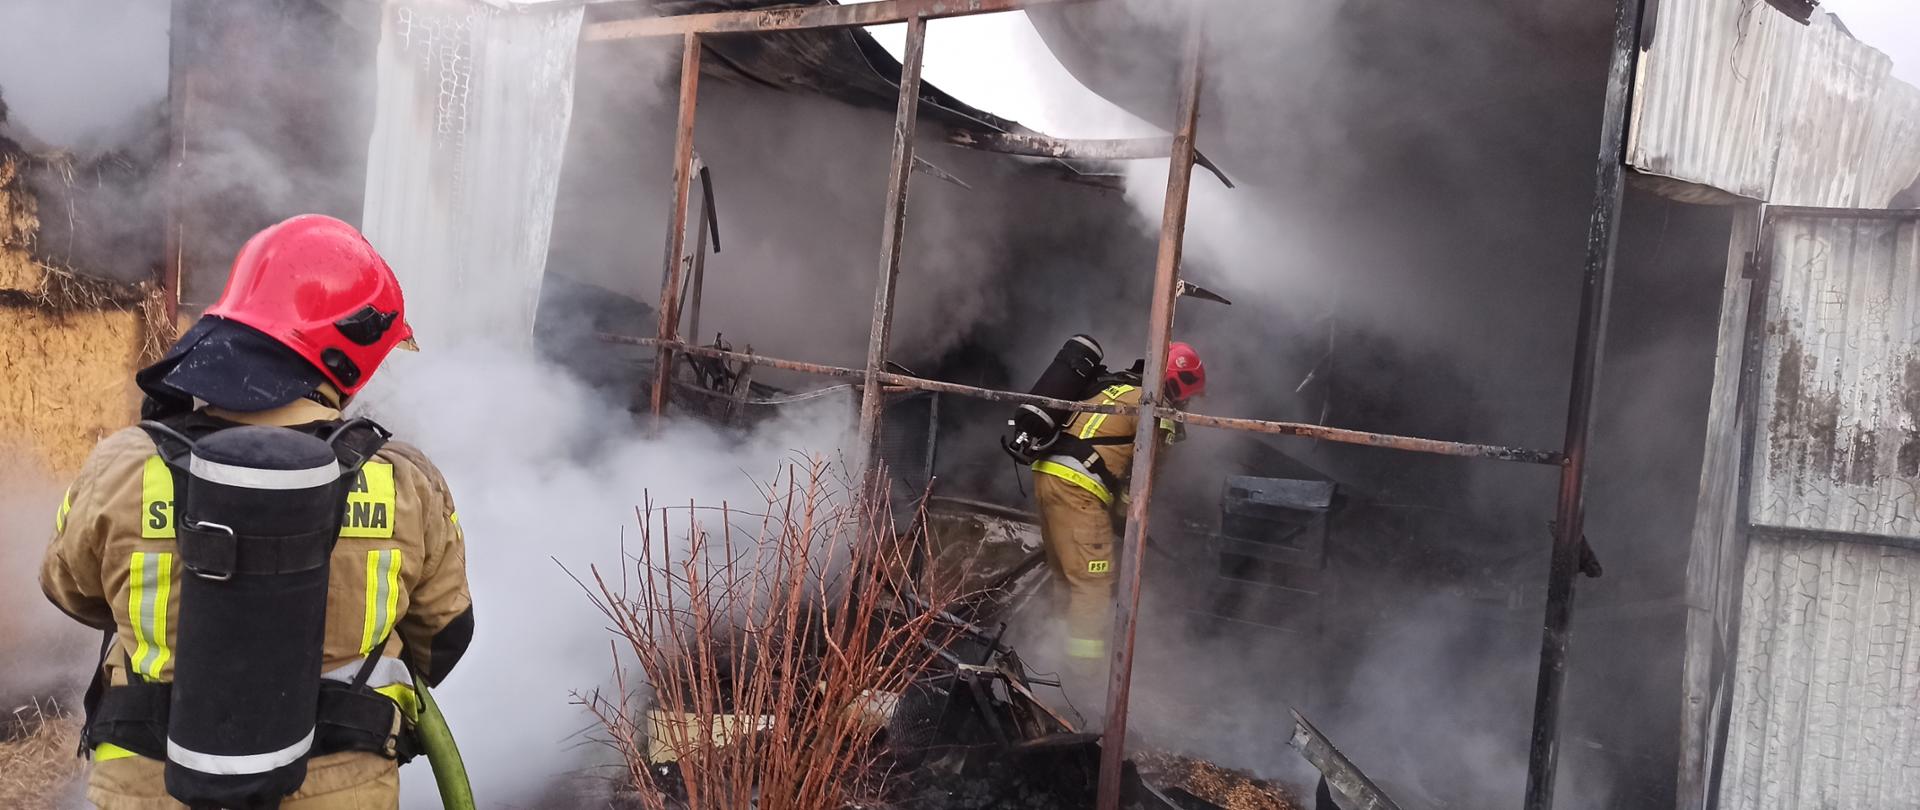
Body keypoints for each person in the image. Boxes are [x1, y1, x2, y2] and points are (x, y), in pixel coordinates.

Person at [39, 214, 473, 810]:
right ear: (348, 357)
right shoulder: (405, 481)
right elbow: (443, 637)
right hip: (340, 792)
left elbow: (72, 590)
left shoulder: (122, 464)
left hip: (149, 789)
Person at [1029, 342, 1206, 669]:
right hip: (1079, 488)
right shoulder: (1159, 414)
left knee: (1065, 577)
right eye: (1189, 394)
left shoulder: (1114, 385)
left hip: (1047, 474)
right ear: (1178, 383)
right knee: (1093, 583)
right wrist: (1125, 518)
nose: (1187, 402)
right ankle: (1081, 677)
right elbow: (1141, 484)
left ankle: (1049, 660)